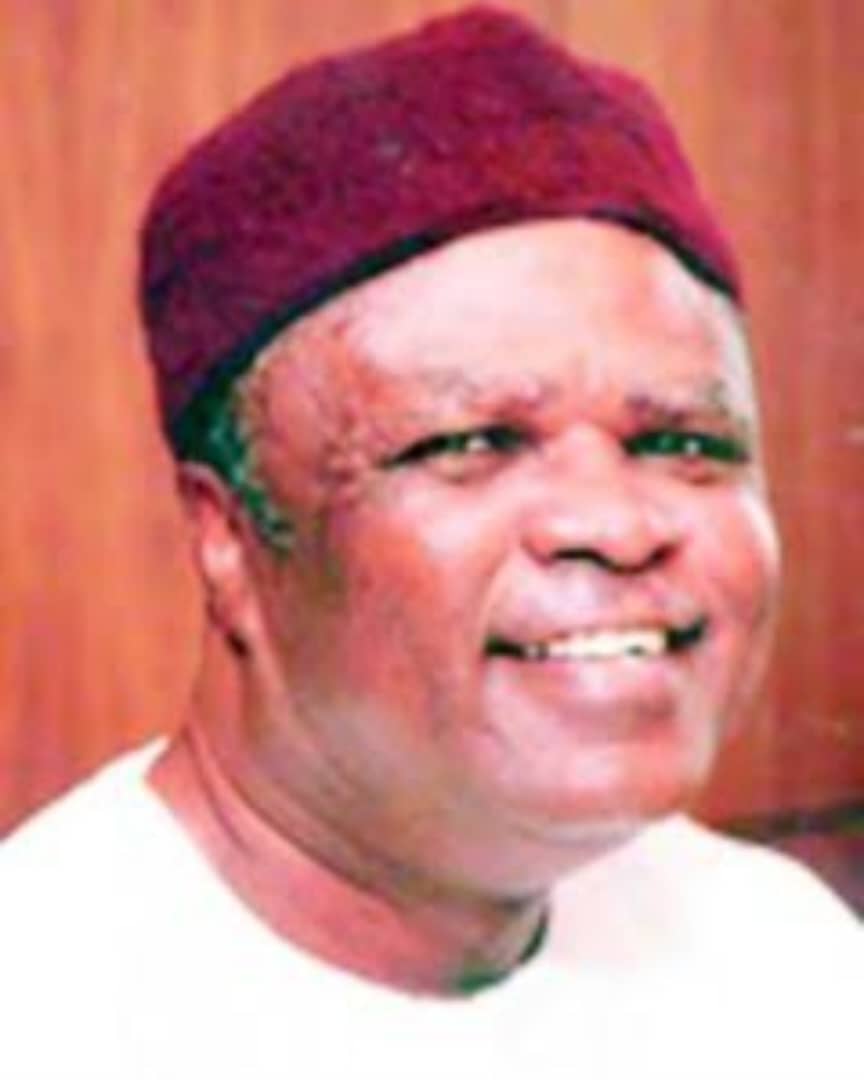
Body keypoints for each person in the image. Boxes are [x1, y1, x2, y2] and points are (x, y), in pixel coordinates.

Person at [1, 8, 861, 1079]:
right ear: (226, 539)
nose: (618, 523)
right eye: (472, 445)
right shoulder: (43, 1011)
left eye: (684, 442)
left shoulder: (780, 957)